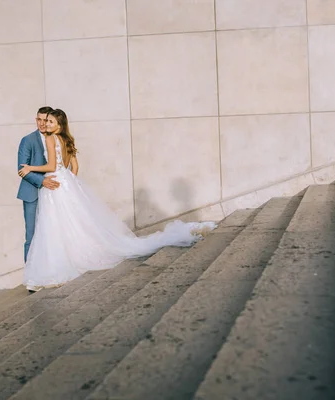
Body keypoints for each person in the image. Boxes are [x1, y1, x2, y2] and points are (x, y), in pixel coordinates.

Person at [18, 109, 216, 292]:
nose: (46, 124)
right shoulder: (61, 139)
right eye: (44, 120)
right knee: (70, 223)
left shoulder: (52, 139)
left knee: (54, 225)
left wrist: (30, 168)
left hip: (54, 183)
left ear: (58, 124)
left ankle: (53, 266)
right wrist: (69, 181)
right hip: (64, 181)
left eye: (50, 121)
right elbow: (73, 167)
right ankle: (63, 259)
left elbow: (51, 164)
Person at [17, 106, 60, 262]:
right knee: (32, 235)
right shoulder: (27, 140)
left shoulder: (57, 138)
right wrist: (42, 181)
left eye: (45, 120)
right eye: (39, 119)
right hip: (32, 193)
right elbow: (21, 169)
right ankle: (31, 278)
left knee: (52, 233)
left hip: (53, 192)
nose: (42, 123)